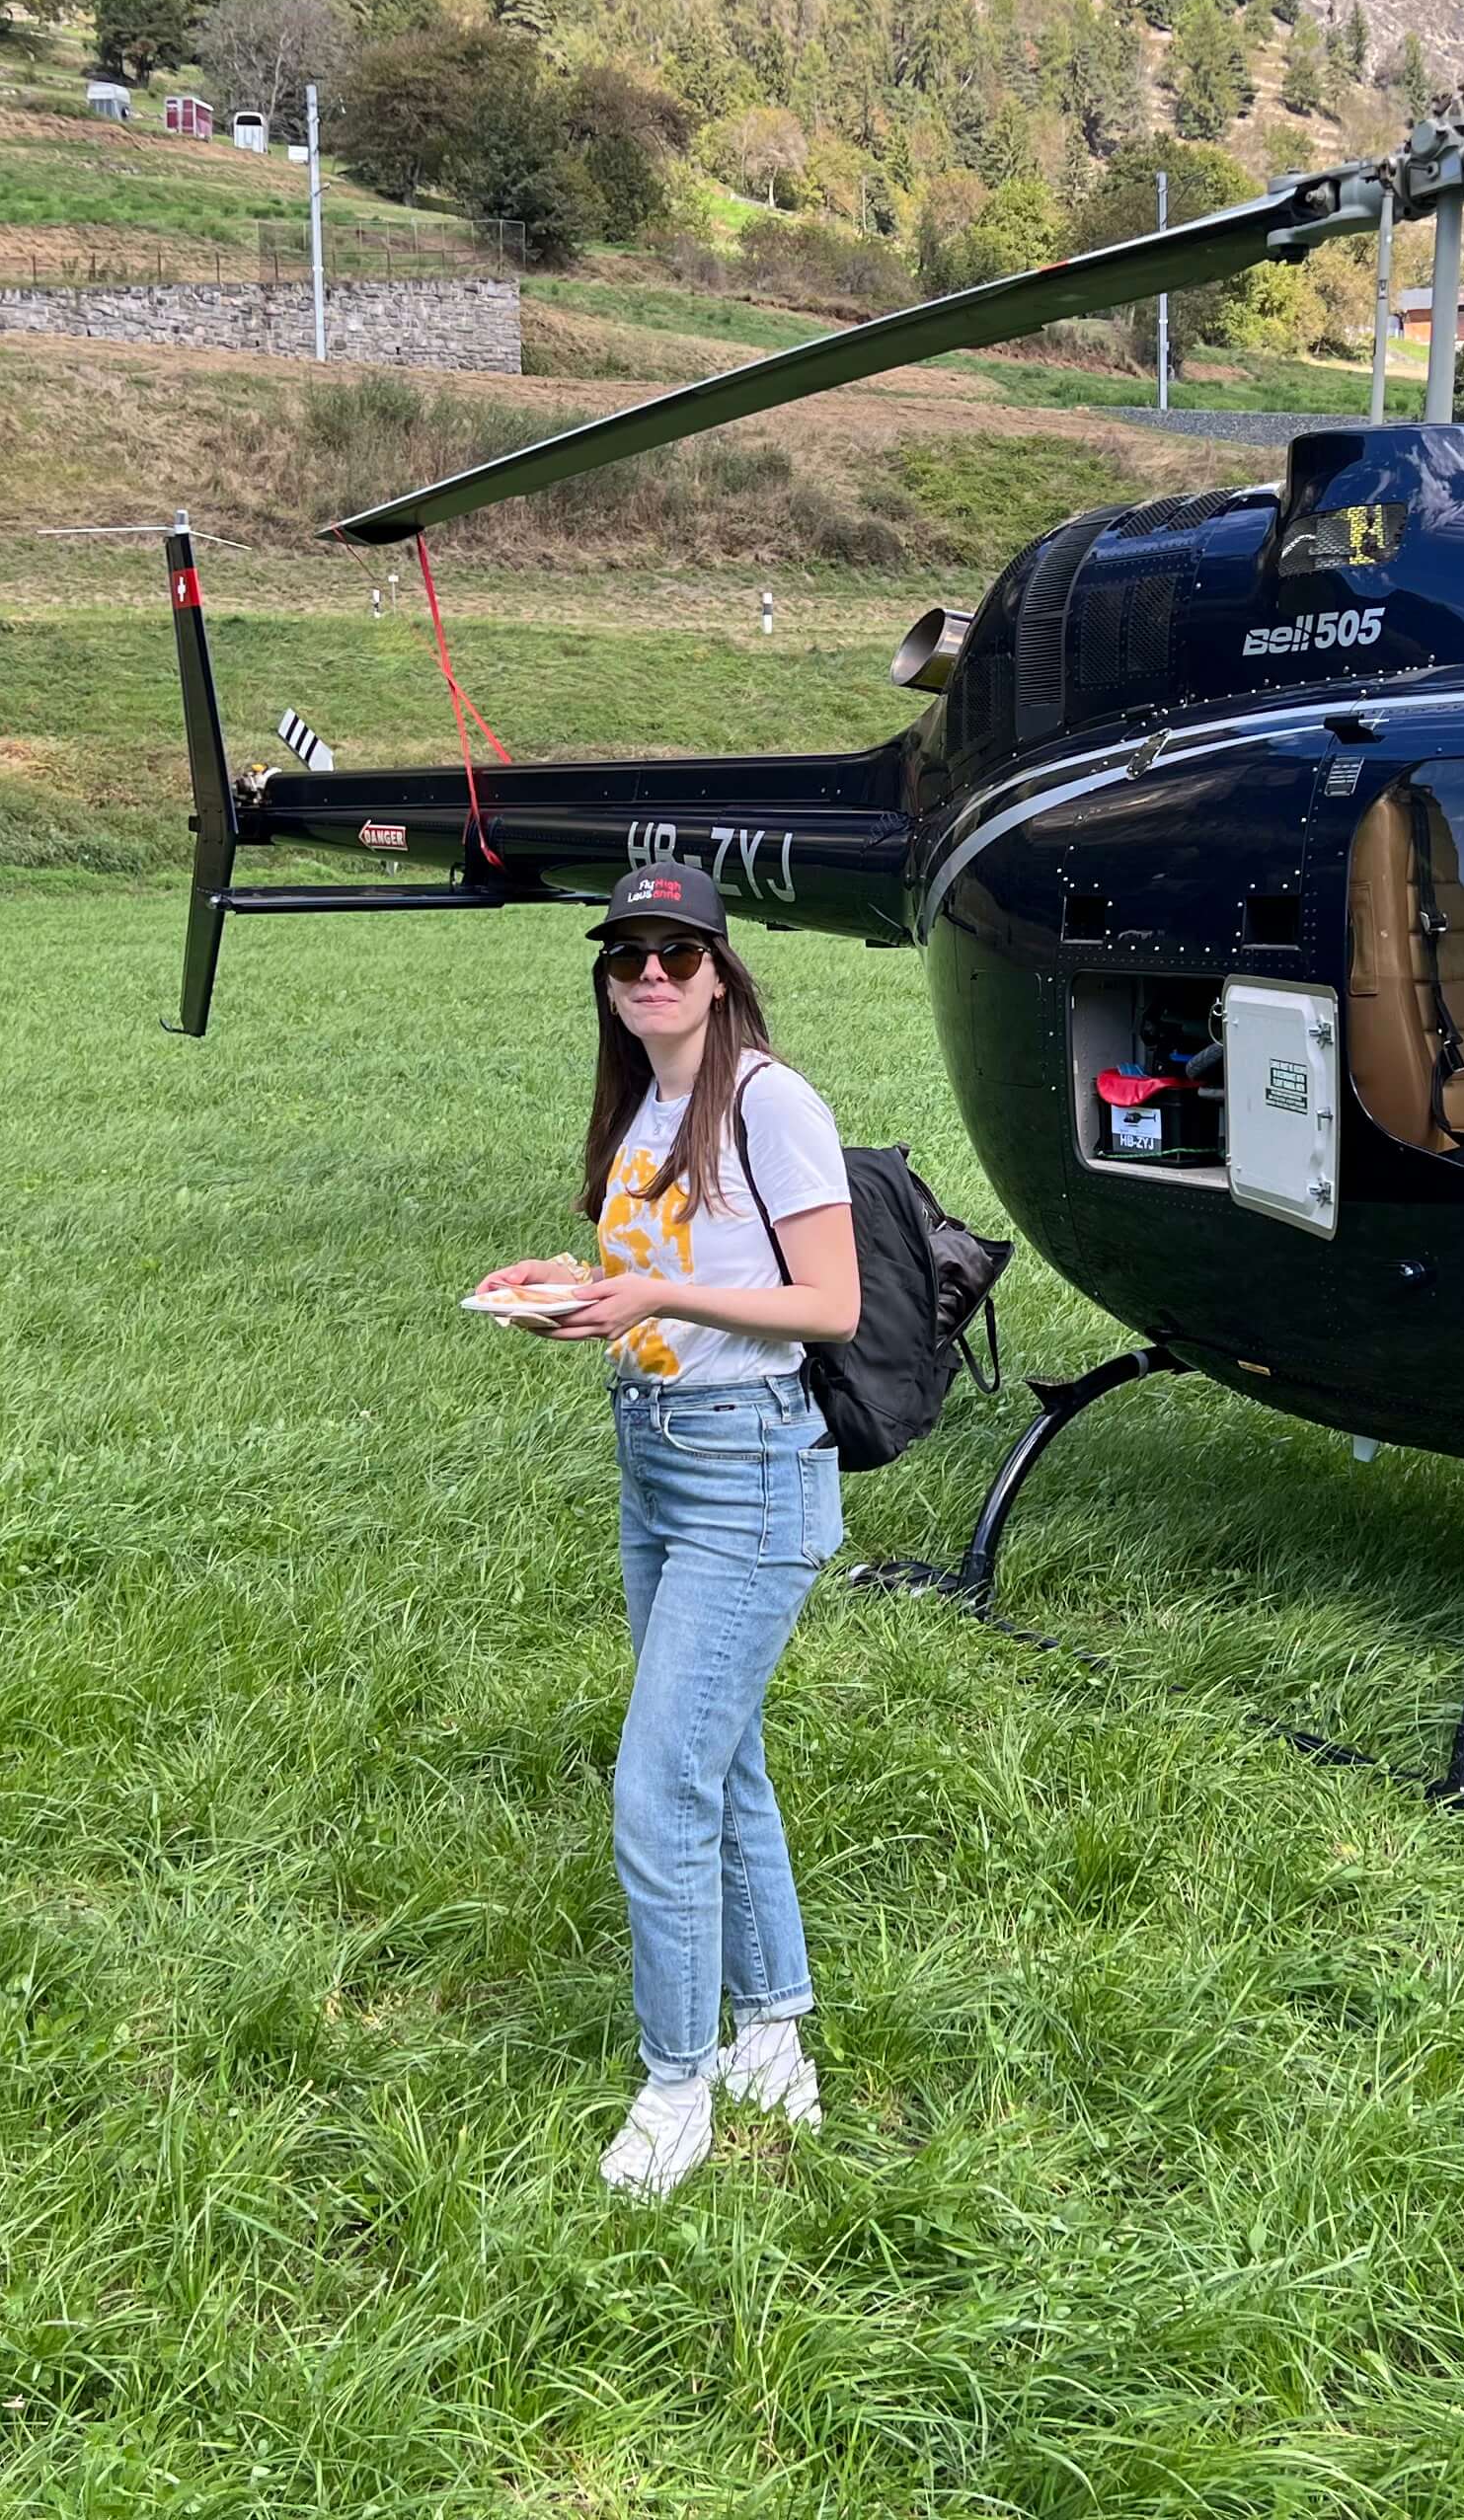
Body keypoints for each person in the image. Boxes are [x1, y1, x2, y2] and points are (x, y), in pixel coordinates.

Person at [479, 863, 862, 2199]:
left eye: (676, 954)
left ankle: (676, 2083)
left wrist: (648, 1287)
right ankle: (776, 2035)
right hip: (656, 1455)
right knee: (720, 1756)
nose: (650, 973)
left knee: (659, 1783)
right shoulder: (645, 1103)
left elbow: (830, 1304)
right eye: (627, 953)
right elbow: (675, 1278)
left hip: (750, 1463)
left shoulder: (770, 1099)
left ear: (719, 969)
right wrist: (568, 1288)